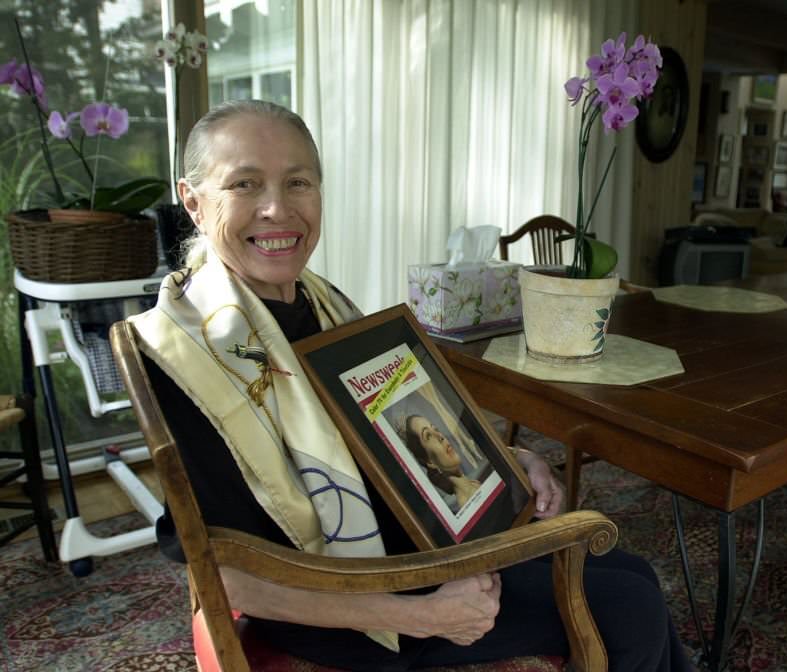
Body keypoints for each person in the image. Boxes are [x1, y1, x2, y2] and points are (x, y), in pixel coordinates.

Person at [132, 99, 693, 672]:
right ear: (194, 202)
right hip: (347, 604)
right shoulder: (184, 354)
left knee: (632, 572)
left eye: (297, 182)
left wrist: (510, 459)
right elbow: (224, 576)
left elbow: (392, 436)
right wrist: (422, 617)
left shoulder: (321, 304)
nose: (277, 208)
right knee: (629, 606)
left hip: (408, 544)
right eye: (244, 184)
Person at [404, 413, 485, 510]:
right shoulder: (467, 503)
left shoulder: (474, 484)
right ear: (430, 462)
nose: (440, 436)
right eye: (428, 436)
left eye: (435, 429)